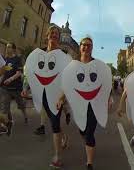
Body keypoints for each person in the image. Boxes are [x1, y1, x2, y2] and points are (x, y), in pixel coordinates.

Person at [57, 37, 112, 170]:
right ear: (80, 47)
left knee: (90, 133)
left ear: (92, 48)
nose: (86, 47)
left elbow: (104, 83)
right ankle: (85, 137)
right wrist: (61, 98)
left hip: (94, 103)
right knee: (82, 130)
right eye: (84, 45)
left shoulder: (98, 66)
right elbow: (68, 84)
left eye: (89, 45)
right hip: (78, 104)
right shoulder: (73, 66)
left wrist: (109, 98)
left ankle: (89, 163)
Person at [21, 26, 70, 168]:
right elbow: (29, 72)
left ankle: (57, 157)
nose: (54, 35)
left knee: (54, 124)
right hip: (42, 94)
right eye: (52, 33)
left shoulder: (63, 55)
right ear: (47, 36)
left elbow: (68, 78)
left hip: (57, 96)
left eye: (57, 34)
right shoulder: (38, 54)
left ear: (58, 37)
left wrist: (62, 97)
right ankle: (64, 136)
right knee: (53, 121)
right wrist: (26, 88)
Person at [0, 42, 27, 136]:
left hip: (16, 88)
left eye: (10, 47)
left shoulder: (17, 59)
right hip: (5, 88)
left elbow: (19, 73)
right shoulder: (4, 60)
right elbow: (2, 72)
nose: (7, 49)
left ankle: (25, 115)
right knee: (4, 108)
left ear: (14, 49)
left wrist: (10, 79)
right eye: (7, 47)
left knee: (21, 105)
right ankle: (7, 125)